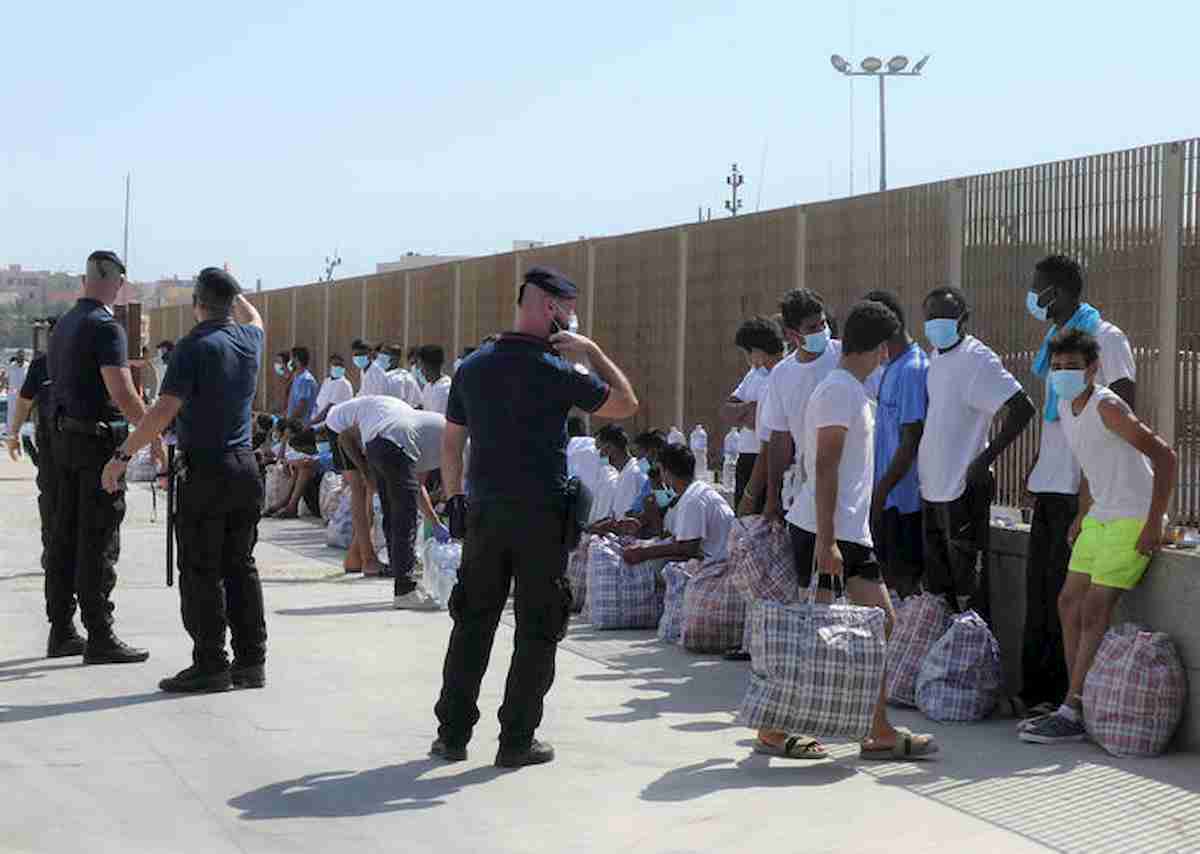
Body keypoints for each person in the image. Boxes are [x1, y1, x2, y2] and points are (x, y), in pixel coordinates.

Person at [432, 265, 638, 768]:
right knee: (537, 628)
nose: (572, 319)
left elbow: (451, 444)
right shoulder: (558, 370)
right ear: (551, 309)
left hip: (483, 515)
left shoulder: (472, 367)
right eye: (568, 311)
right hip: (541, 520)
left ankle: (452, 736)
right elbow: (626, 404)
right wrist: (592, 351)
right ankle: (516, 741)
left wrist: (455, 500)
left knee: (472, 623)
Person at [757, 300, 938, 761]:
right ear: (878, 348)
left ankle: (877, 729)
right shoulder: (839, 392)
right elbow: (825, 464)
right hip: (826, 532)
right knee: (816, 634)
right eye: (886, 349)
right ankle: (773, 728)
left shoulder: (851, 389)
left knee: (880, 625)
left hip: (848, 533)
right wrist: (826, 541)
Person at [102, 267, 267, 692]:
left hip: (207, 472)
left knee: (200, 570)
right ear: (230, 302)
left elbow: (162, 412)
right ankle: (251, 662)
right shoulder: (250, 340)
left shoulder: (193, 346)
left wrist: (122, 455)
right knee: (241, 566)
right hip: (245, 468)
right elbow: (254, 317)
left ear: (197, 304)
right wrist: (236, 288)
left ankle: (211, 664)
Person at [1019, 329, 1176, 745]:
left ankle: (1072, 707)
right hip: (1100, 517)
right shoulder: (1066, 407)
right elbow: (1092, 462)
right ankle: (1077, 702)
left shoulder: (1107, 406)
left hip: (1131, 518)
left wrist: (1153, 523)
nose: (1063, 373)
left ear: (1093, 369)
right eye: (1057, 367)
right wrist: (1083, 512)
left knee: (1093, 607)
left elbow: (1165, 456)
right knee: (1067, 602)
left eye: (1072, 367)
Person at [1017, 254, 1137, 720]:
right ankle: (1037, 693)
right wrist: (1037, 464)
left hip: (1081, 489)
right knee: (1042, 593)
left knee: (1068, 598)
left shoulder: (1106, 338)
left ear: (1059, 292)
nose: (1033, 296)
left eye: (1038, 288)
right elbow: (1058, 419)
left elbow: (1124, 408)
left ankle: (1064, 696)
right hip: (1051, 481)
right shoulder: (1056, 344)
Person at [44, 250, 153, 663]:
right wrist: (151, 434)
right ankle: (100, 635)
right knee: (98, 539)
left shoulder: (66, 323)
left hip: (63, 442)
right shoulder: (106, 327)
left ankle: (61, 629)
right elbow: (121, 391)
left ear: (84, 280)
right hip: (94, 445)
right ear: (116, 282)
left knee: (64, 537)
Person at [918, 286, 1035, 620]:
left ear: (963, 318)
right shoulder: (935, 357)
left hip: (962, 490)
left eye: (945, 316)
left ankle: (978, 652)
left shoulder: (977, 358)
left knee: (970, 592)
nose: (936, 323)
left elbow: (1022, 408)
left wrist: (984, 460)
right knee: (939, 591)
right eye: (931, 316)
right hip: (933, 489)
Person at [328, 396, 450, 609]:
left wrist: (435, 522)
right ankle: (403, 588)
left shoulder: (409, 423)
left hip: (379, 443)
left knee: (394, 514)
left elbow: (416, 487)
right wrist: (365, 473)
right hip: (380, 440)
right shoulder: (458, 438)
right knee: (401, 515)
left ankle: (399, 574)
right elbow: (344, 438)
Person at [747, 289, 841, 525]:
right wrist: (771, 498)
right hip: (805, 490)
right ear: (792, 334)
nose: (821, 331)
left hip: (847, 486)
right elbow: (779, 438)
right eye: (812, 328)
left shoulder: (844, 357)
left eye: (822, 324)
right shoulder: (782, 375)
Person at [865, 289, 929, 599]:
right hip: (888, 496)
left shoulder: (913, 369)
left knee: (904, 584)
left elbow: (910, 440)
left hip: (903, 501)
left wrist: (882, 491)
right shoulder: (892, 366)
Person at [621, 444, 734, 565]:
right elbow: (678, 538)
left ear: (666, 472)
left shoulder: (692, 499)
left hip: (718, 563)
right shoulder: (696, 491)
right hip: (718, 556)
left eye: (661, 470)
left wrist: (644, 552)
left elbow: (688, 548)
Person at [7, 323, 56, 572]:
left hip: (79, 445)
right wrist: (13, 433)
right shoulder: (41, 365)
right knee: (51, 500)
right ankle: (53, 553)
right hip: (50, 444)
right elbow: (24, 402)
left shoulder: (88, 360)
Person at [723, 317, 780, 510]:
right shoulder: (754, 374)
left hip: (767, 459)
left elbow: (762, 423)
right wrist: (749, 408)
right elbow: (727, 411)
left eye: (746, 353)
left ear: (756, 351)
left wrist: (746, 412)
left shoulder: (781, 375)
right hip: (746, 459)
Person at [587, 425, 649, 536]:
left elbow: (627, 523)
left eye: (600, 449)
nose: (599, 454)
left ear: (610, 448)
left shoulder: (632, 474)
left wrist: (597, 529)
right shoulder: (624, 473)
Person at [313, 352, 354, 425]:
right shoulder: (327, 381)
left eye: (340, 365)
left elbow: (329, 409)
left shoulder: (343, 383)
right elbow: (318, 403)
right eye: (335, 365)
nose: (338, 367)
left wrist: (311, 423)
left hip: (334, 424)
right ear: (330, 366)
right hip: (320, 422)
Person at [286, 346, 319, 426]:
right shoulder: (298, 377)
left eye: (291, 359)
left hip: (301, 426)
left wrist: (287, 422)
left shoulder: (305, 380)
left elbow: (302, 407)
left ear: (296, 360)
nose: (289, 362)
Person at [418, 345, 452, 415]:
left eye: (421, 365)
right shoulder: (428, 387)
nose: (421, 371)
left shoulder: (446, 389)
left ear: (428, 366)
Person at [6, 348, 28, 435]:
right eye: (19, 355)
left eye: (22, 355)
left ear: (24, 356)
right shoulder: (11, 366)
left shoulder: (27, 366)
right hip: (12, 393)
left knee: (22, 413)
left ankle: (20, 433)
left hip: (23, 393)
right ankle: (9, 432)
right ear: (16, 356)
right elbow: (6, 378)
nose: (20, 357)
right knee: (11, 413)